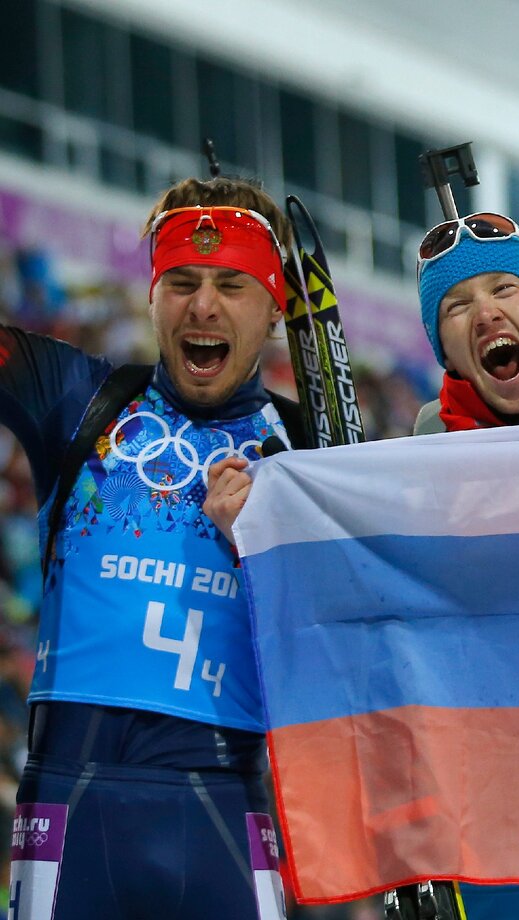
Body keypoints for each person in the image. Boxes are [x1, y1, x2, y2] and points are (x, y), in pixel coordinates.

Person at [1, 176, 300, 919]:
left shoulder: (316, 453)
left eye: (231, 284)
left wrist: (263, 544)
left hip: (229, 811)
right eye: (182, 283)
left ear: (274, 309)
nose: (203, 305)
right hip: (68, 807)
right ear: (153, 298)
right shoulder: (77, 399)